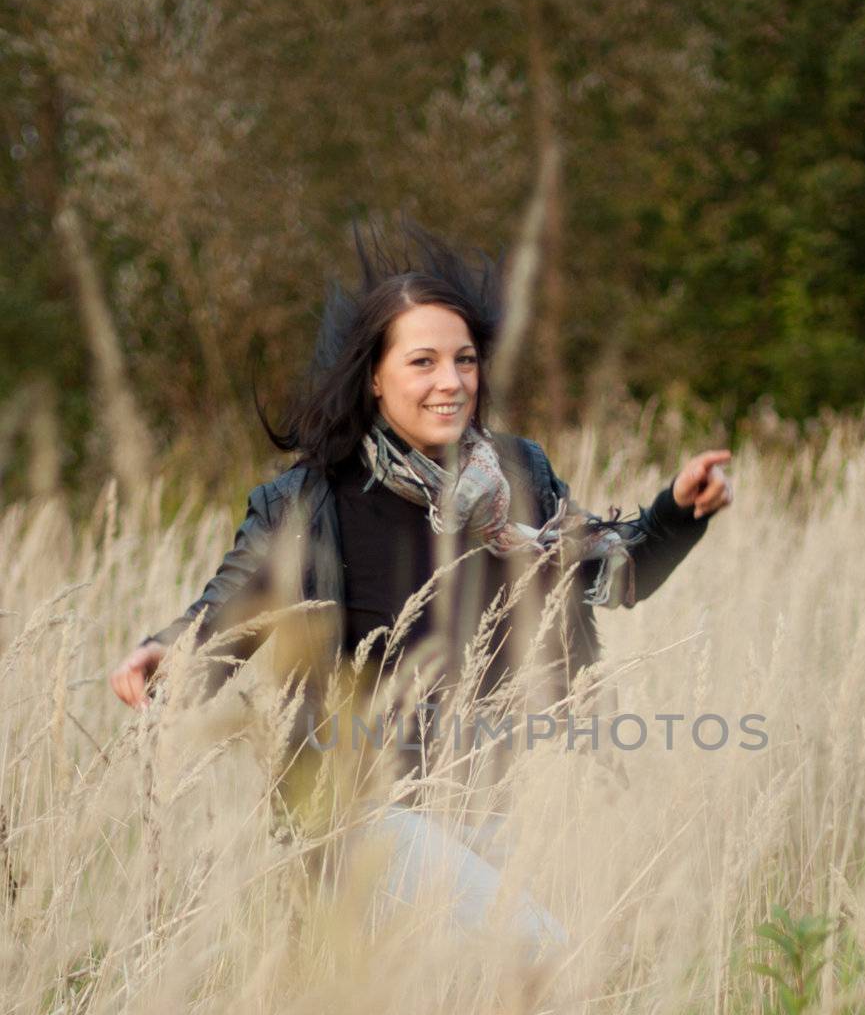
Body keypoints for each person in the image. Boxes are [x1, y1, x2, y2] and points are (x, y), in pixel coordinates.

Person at [110, 220, 733, 950]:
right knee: (545, 953)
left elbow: (611, 574)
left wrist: (677, 513)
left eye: (464, 360)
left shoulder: (515, 475)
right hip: (361, 809)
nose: (451, 382)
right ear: (374, 375)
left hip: (496, 797)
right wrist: (165, 653)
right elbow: (230, 611)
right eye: (423, 362)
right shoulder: (309, 503)